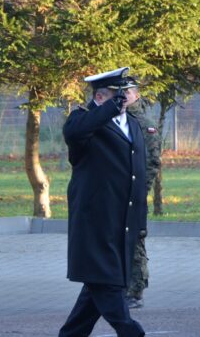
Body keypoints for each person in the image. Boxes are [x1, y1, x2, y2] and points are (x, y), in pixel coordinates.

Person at [60, 67, 146, 337]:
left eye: (124, 93)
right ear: (99, 97)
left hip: (123, 222)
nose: (123, 99)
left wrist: (139, 220)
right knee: (108, 286)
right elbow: (74, 134)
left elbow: (137, 173)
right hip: (95, 221)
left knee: (97, 290)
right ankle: (131, 331)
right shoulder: (83, 120)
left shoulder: (132, 124)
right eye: (115, 95)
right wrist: (107, 110)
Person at [122, 76, 162, 309]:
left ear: (137, 95)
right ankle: (119, 287)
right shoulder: (114, 119)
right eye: (121, 91)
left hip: (134, 194)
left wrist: (139, 191)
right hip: (116, 194)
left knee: (135, 241)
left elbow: (152, 162)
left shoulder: (143, 123)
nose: (124, 95)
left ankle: (136, 291)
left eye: (129, 91)